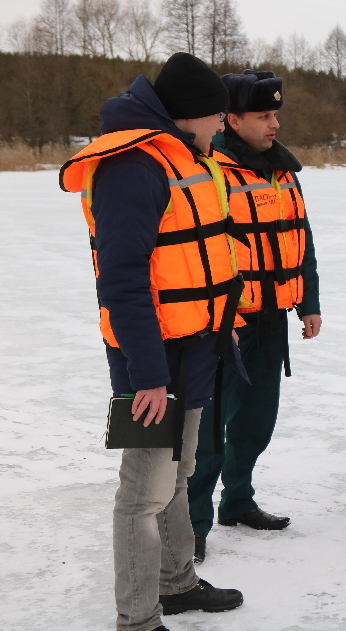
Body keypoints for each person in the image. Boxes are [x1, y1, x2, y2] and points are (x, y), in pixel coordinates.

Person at [60, 52, 245, 630]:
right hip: (149, 360)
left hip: (193, 349)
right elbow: (122, 279)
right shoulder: (132, 167)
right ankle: (137, 619)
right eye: (218, 115)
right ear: (189, 115)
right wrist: (147, 375)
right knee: (142, 492)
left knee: (179, 472)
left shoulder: (184, 153)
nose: (223, 125)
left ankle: (176, 581)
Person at [187, 70, 321, 560]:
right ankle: (194, 522)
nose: (274, 124)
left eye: (276, 114)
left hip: (272, 319)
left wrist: (309, 301)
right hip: (225, 324)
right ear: (232, 119)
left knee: (257, 421)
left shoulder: (283, 172)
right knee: (207, 432)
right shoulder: (211, 170)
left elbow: (300, 240)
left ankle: (237, 501)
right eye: (264, 115)